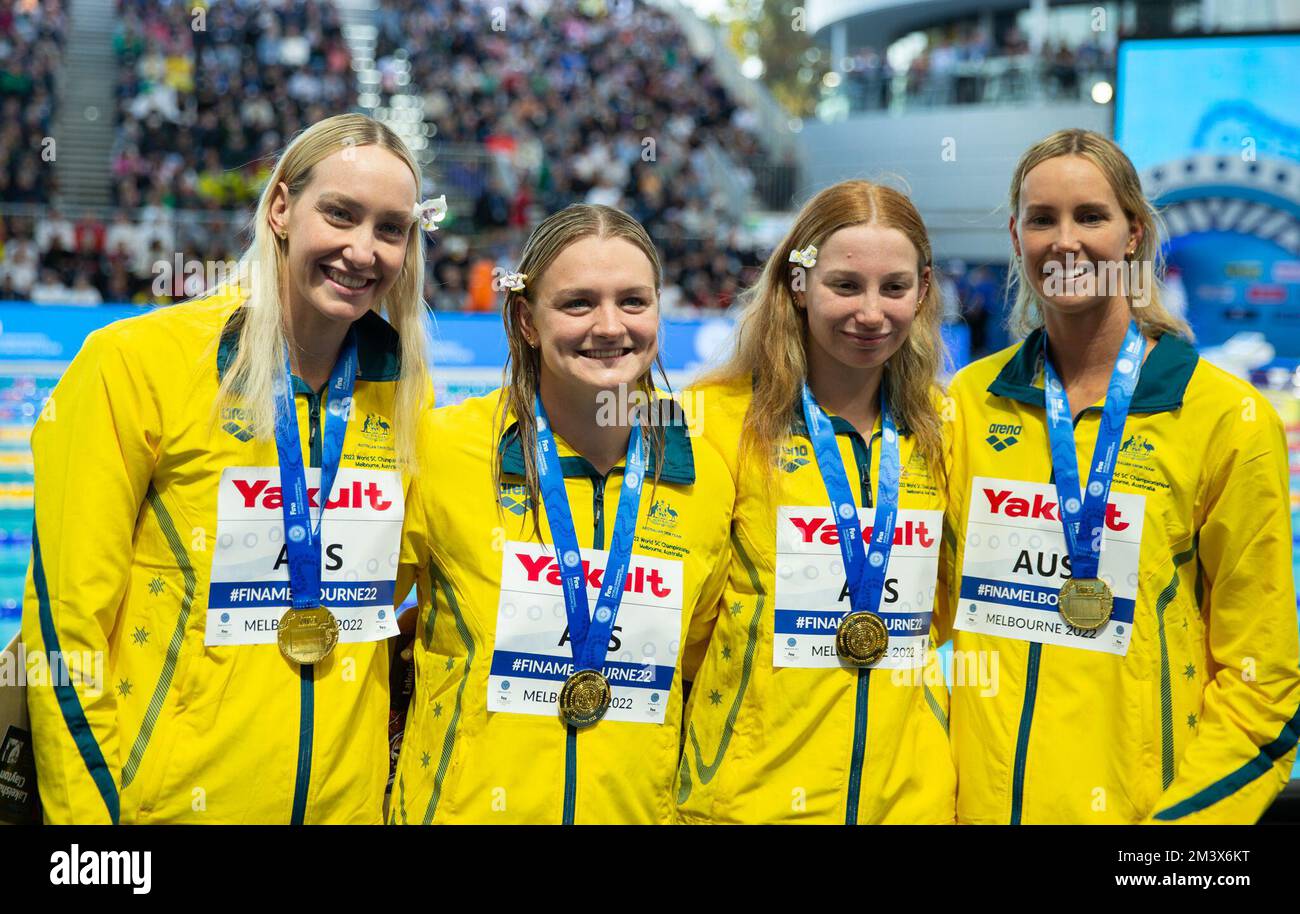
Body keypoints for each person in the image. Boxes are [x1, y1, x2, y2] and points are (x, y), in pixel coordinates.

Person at [23, 113, 438, 824]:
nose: (362, 250)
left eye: (391, 228)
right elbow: (65, 631)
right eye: (340, 214)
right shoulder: (136, 365)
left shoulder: (402, 395)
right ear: (281, 207)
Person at [940, 128, 1300, 823]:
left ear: (1133, 233)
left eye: (1091, 216)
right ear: (1017, 236)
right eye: (1041, 219)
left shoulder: (1226, 418)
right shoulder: (967, 405)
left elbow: (1263, 682)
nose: (1064, 240)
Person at [390, 204, 734, 824]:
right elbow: (366, 616)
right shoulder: (442, 449)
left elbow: (699, 665)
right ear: (526, 318)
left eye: (634, 301)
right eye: (577, 303)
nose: (609, 326)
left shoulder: (706, 475)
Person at [675, 180, 956, 824]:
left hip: (910, 803)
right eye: (845, 285)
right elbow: (684, 625)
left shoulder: (946, 430)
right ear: (798, 284)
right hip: (748, 801)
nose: (871, 312)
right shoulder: (712, 423)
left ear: (924, 289)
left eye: (895, 287)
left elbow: (943, 605)